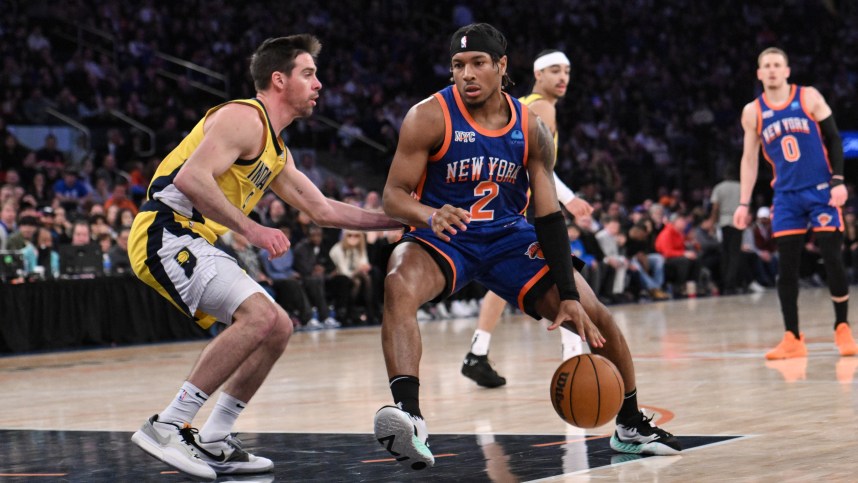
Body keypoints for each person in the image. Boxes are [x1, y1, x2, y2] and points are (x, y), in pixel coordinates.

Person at [373, 23, 680, 471]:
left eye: (478, 63)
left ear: (501, 66)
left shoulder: (529, 126)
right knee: (398, 281)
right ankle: (410, 417)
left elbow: (550, 216)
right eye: (459, 65)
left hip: (508, 237)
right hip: (445, 231)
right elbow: (393, 195)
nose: (467, 74)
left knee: (596, 316)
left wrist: (569, 296)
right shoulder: (428, 115)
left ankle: (630, 423)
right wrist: (427, 214)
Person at [127, 34, 401, 480]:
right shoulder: (243, 117)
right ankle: (168, 424)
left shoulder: (276, 150)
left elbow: (324, 210)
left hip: (192, 237)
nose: (319, 84)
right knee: (257, 317)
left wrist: (400, 221)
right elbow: (192, 179)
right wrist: (252, 229)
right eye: (308, 74)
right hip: (165, 230)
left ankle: (215, 438)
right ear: (279, 79)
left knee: (278, 326)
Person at [461, 48, 595, 388]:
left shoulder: (522, 105)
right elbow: (542, 169)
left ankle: (478, 350)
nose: (562, 77)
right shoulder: (542, 107)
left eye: (566, 70)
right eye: (554, 70)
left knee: (505, 277)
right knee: (559, 274)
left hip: (504, 200)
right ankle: (574, 358)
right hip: (525, 203)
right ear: (538, 75)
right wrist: (568, 198)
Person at [733, 47, 858, 360]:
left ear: (787, 70)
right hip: (786, 196)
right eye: (767, 66)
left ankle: (842, 328)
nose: (773, 70)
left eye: (777, 65)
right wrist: (743, 202)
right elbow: (749, 159)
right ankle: (792, 336)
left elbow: (833, 139)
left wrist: (838, 181)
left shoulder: (809, 97)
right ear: (759, 73)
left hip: (820, 191)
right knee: (786, 267)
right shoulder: (753, 111)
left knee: (831, 256)